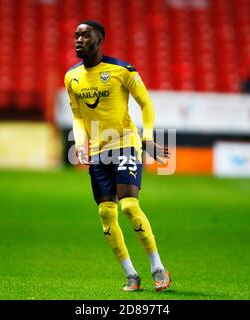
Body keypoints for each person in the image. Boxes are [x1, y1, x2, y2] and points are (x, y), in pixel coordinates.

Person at [64, 20, 171, 291]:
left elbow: (145, 103)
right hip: (98, 152)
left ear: (99, 40)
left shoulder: (122, 70)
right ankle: (131, 275)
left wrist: (146, 138)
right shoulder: (71, 77)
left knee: (129, 207)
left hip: (124, 143)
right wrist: (80, 143)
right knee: (106, 214)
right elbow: (78, 115)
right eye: (76, 35)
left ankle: (158, 268)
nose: (78, 40)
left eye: (85, 35)